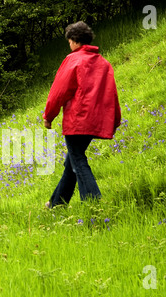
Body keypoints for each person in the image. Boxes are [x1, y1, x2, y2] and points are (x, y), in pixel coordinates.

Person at [43, 21, 121, 209]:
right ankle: (56, 204)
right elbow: (111, 93)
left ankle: (94, 204)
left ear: (75, 40)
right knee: (71, 163)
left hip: (78, 120)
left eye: (69, 41)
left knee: (77, 160)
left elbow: (59, 91)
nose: (69, 45)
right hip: (95, 121)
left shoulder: (73, 60)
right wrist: (115, 120)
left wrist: (48, 115)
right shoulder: (103, 63)